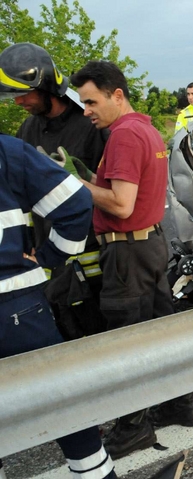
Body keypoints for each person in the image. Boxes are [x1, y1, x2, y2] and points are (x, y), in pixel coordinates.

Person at [69, 61, 193, 460]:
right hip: (151, 245)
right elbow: (131, 190)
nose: (86, 110)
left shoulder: (123, 135)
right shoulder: (145, 128)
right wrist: (93, 178)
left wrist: (73, 183)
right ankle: (180, 405)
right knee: (158, 331)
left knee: (126, 339)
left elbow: (122, 204)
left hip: (127, 251)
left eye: (91, 101)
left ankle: (133, 429)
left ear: (117, 95)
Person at [0, 131, 116, 478]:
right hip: (14, 306)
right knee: (62, 406)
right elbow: (75, 202)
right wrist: (49, 259)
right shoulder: (7, 151)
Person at [0, 43, 107, 335]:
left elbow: (109, 191)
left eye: (23, 93)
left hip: (93, 261)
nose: (18, 102)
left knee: (96, 330)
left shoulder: (90, 127)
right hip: (47, 258)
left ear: (46, 85)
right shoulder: (27, 131)